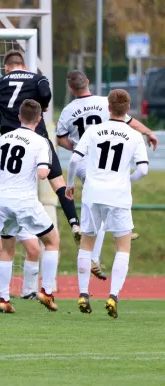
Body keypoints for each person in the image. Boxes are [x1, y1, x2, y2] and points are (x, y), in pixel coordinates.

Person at [57, 70, 158, 280]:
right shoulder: (105, 102)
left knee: (98, 202)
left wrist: (79, 148)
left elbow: (60, 139)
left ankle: (112, 236)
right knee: (103, 202)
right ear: (88, 83)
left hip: (85, 160)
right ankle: (98, 252)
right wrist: (149, 132)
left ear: (70, 89)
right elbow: (130, 123)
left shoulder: (67, 110)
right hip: (103, 160)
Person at [66, 89, 149, 318]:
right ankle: (113, 296)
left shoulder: (93, 131)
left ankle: (83, 294)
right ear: (127, 109)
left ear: (109, 108)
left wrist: (70, 183)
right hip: (118, 196)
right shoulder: (134, 135)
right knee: (122, 246)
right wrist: (127, 180)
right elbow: (143, 169)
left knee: (87, 243)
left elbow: (74, 159)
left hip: (93, 193)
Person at [0, 50, 81, 245]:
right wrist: (43, 105)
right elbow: (45, 93)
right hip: (38, 139)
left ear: (6, 68)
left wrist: (6, 120)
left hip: (10, 142)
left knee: (2, 180)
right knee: (58, 183)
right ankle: (74, 222)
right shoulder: (38, 78)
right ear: (25, 66)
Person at [0, 99, 60, 314]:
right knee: (52, 241)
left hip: (4, 202)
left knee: (7, 250)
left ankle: (5, 298)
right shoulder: (40, 142)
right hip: (25, 201)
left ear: (19, 117)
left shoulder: (4, 138)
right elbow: (43, 173)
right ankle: (46, 291)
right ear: (39, 119)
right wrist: (43, 167)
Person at [0, 211, 41, 300]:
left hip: (25, 213)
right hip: (5, 213)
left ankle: (28, 292)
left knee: (34, 250)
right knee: (2, 250)